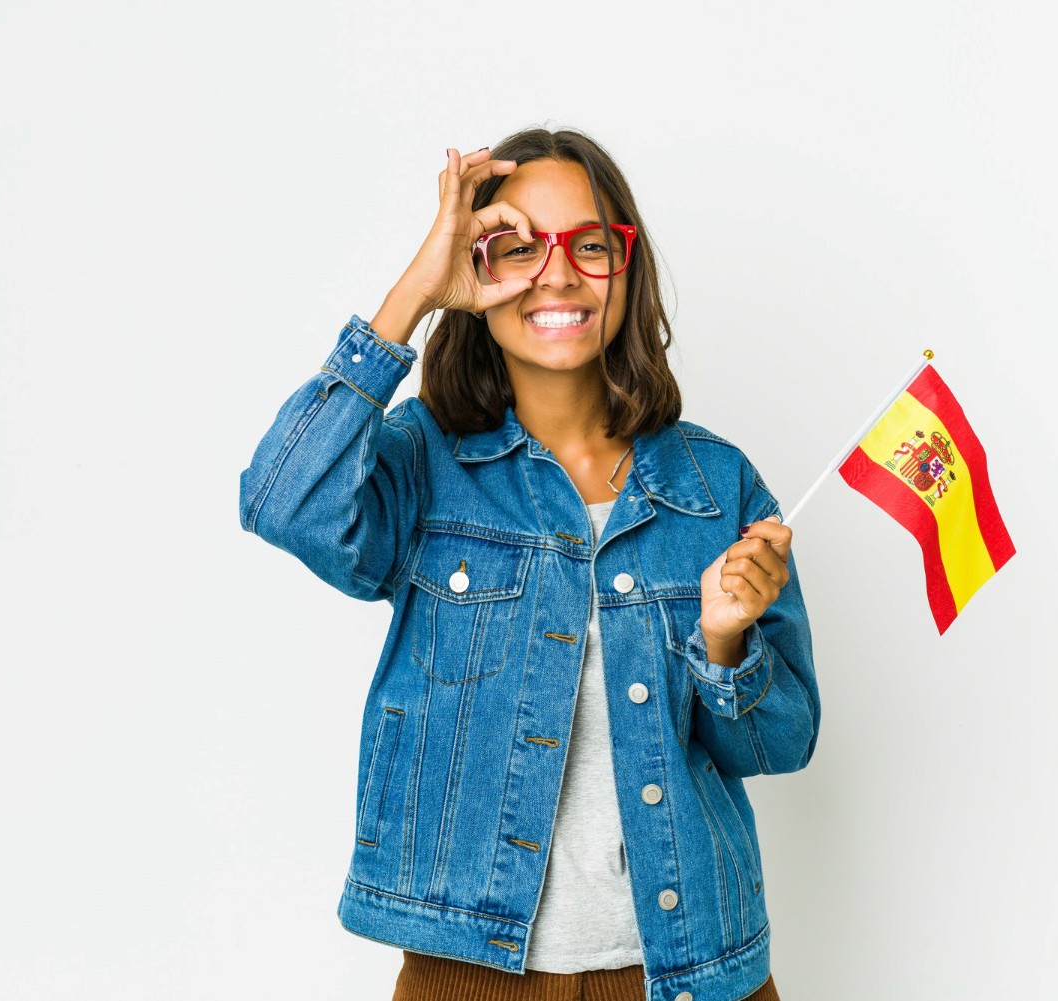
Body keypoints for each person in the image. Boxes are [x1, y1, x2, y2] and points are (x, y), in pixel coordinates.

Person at [238, 127, 820, 1001]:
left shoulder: (715, 485)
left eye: (591, 245)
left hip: (691, 973)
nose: (557, 273)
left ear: (627, 268)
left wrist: (727, 643)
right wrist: (417, 292)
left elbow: (780, 741)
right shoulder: (424, 463)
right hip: (471, 974)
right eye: (518, 246)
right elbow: (282, 503)